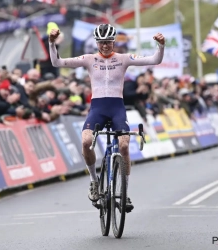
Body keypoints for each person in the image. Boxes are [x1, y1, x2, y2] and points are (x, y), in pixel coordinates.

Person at [48, 24, 165, 212]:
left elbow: (155, 60)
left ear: (114, 42)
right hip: (98, 108)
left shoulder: (124, 59)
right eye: (102, 43)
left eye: (109, 42)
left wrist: (161, 46)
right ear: (97, 43)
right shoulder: (88, 59)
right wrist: (52, 43)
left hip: (117, 107)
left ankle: (124, 192)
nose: (105, 46)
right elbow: (57, 63)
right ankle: (94, 181)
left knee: (124, 145)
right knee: (86, 142)